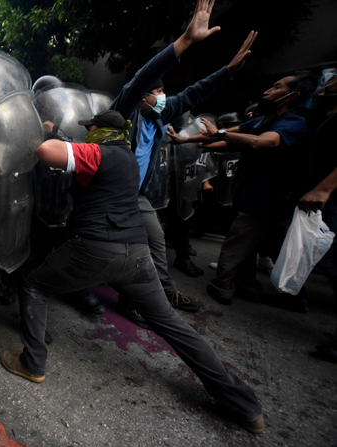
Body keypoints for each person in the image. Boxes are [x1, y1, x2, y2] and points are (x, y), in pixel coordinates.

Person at [0, 108, 264, 434]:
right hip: (136, 255)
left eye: (90, 128)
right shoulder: (126, 157)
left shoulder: (101, 152)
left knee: (34, 286)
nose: (87, 133)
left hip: (96, 249)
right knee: (170, 323)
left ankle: (32, 363)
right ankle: (244, 403)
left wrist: (50, 134)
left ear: (99, 130)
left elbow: (46, 152)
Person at [109, 0, 257, 318]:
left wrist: (227, 72)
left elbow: (193, 93)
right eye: (157, 92)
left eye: (164, 92)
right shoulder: (123, 110)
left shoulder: (161, 115)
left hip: (138, 196)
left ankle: (167, 295)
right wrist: (185, 41)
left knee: (156, 240)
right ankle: (127, 298)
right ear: (142, 96)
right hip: (111, 194)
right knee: (128, 247)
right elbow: (142, 78)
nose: (163, 97)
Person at [169, 72, 317, 306]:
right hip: (249, 190)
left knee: (238, 241)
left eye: (277, 86)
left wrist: (215, 135)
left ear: (293, 95)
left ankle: (222, 286)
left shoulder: (293, 122)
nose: (268, 90)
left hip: (268, 195)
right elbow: (228, 138)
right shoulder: (261, 120)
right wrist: (186, 141)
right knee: (250, 243)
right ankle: (248, 285)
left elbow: (261, 142)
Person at [296, 71, 337, 361]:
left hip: (330, 198)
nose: (329, 80)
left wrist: (325, 188)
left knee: (333, 262)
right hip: (319, 196)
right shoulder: (325, 113)